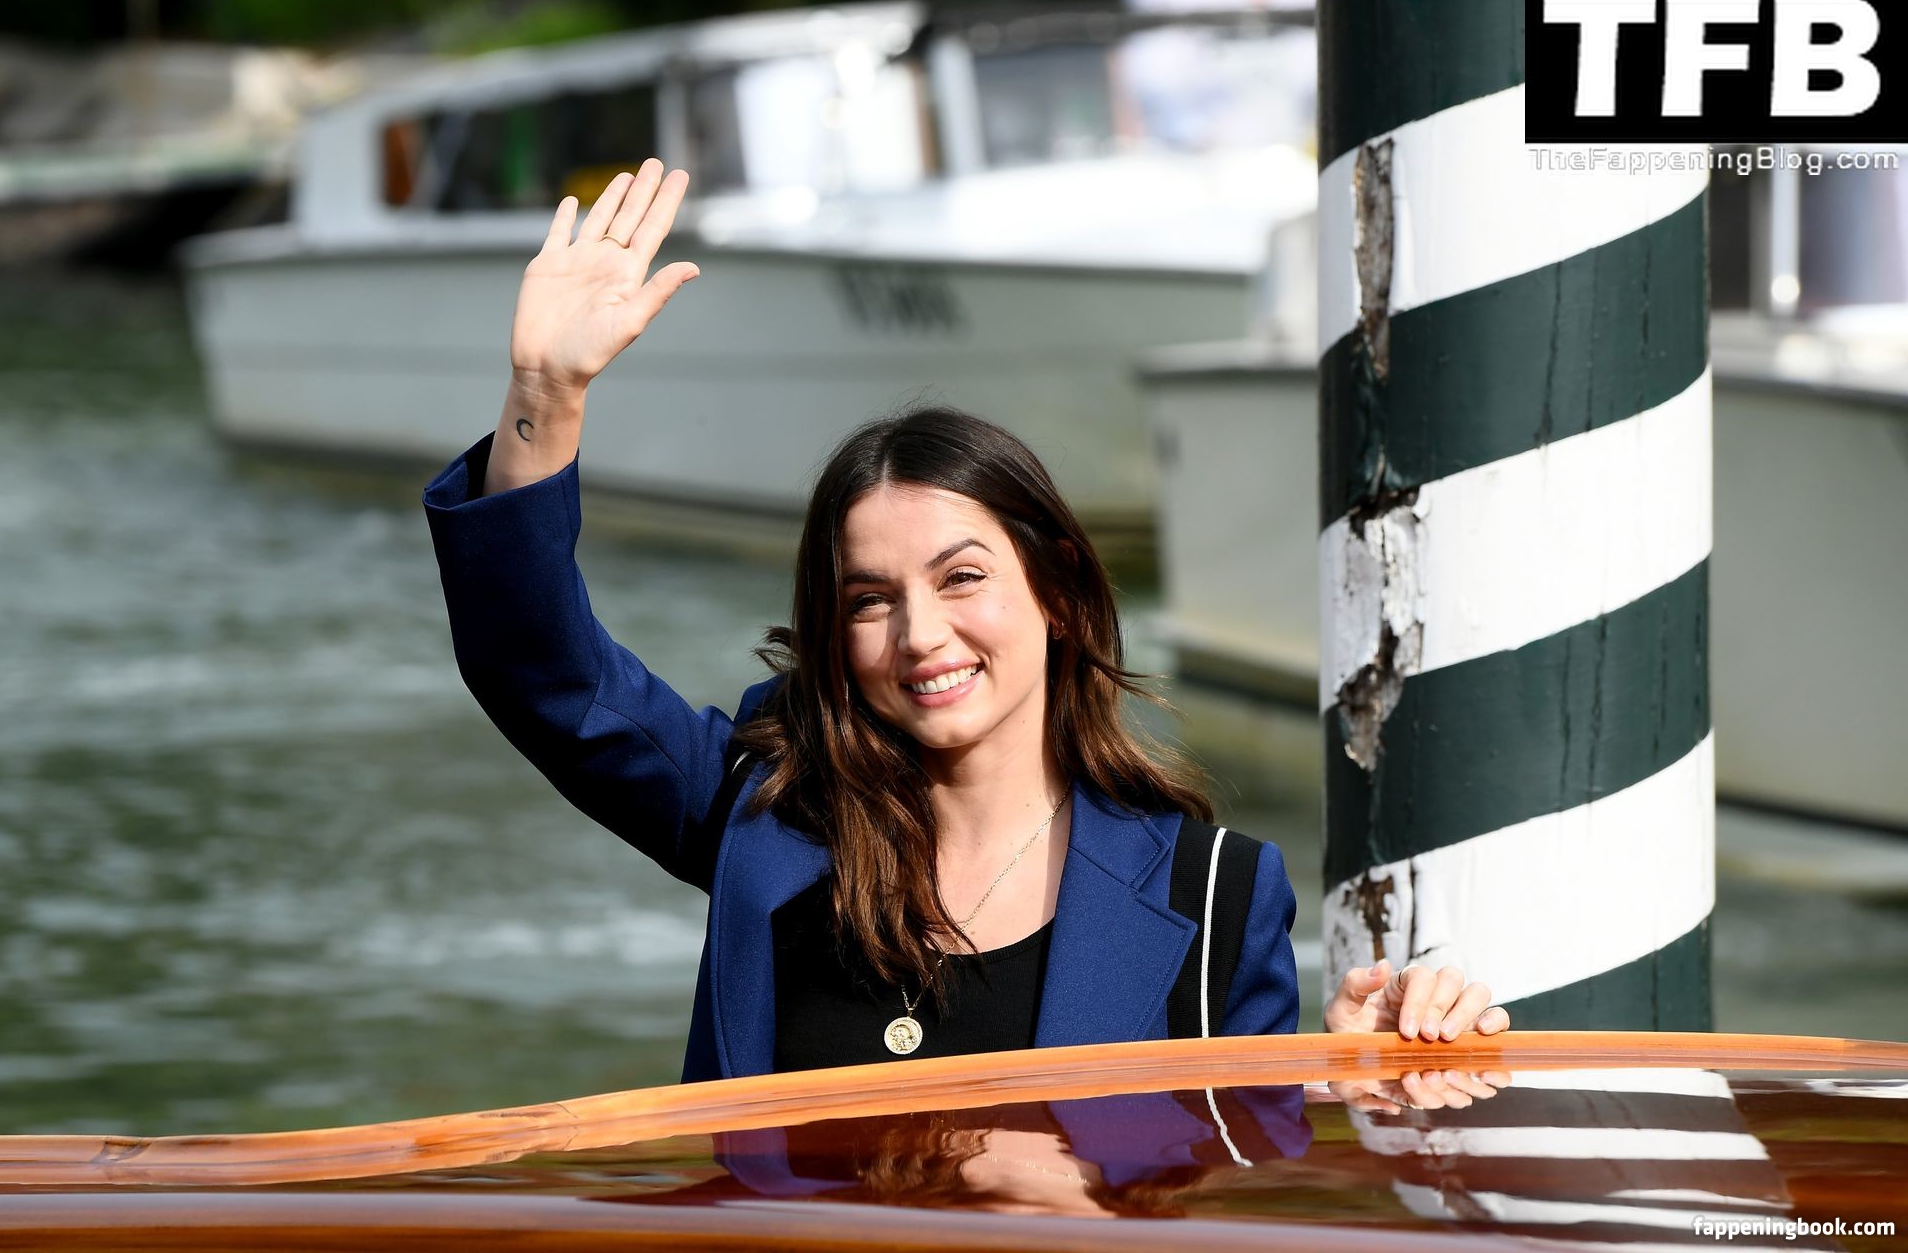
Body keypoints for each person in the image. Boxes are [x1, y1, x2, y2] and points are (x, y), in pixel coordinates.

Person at [422, 162, 1511, 1083]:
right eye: (870, 599)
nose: (921, 634)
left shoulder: (1217, 891)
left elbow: (1234, 1188)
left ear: (1060, 591)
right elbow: (546, 675)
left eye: (961, 578)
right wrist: (544, 395)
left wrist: (1348, 1085)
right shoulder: (762, 804)